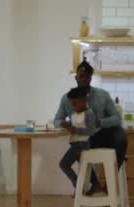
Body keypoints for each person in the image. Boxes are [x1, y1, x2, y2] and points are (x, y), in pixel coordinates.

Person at [54, 59, 127, 194]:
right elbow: (57, 120)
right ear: (76, 77)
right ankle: (93, 184)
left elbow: (116, 118)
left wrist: (100, 122)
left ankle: (110, 180)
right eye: (81, 76)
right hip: (84, 137)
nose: (84, 79)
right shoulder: (67, 98)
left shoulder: (102, 95)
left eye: (87, 76)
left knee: (121, 136)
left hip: (103, 135)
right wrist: (65, 124)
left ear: (91, 78)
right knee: (77, 146)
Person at [58, 87, 96, 194]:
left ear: (84, 101)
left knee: (64, 164)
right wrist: (66, 124)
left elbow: (90, 130)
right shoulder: (75, 114)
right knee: (85, 169)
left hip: (82, 144)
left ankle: (79, 187)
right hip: (75, 144)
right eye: (71, 104)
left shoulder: (89, 114)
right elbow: (72, 123)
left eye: (75, 103)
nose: (73, 106)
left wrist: (75, 130)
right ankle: (84, 187)